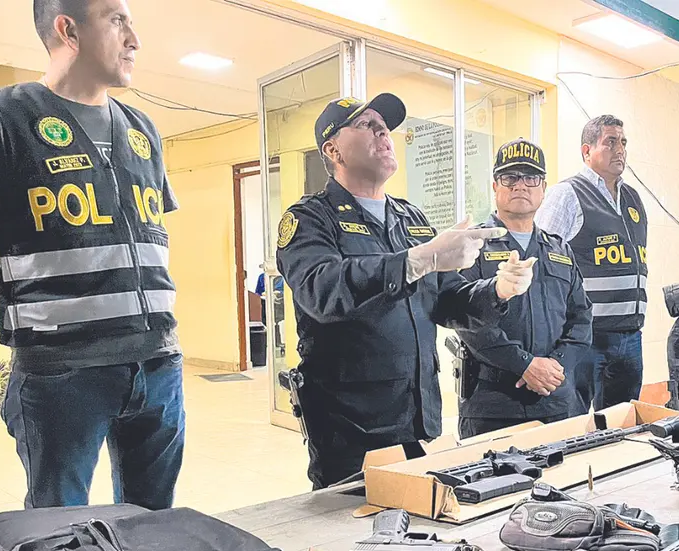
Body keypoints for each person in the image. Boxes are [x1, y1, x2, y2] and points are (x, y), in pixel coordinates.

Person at [276, 94, 536, 488]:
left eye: (386, 127)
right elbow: (323, 290)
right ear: (332, 150)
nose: (384, 133)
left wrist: (496, 290)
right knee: (351, 536)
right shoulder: (309, 219)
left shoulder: (410, 217)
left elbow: (448, 301)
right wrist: (418, 260)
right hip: (349, 424)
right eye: (367, 125)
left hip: (419, 414)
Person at [0, 0, 184, 509]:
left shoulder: (141, 127)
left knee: (154, 525)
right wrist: (20, 312)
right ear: (67, 29)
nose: (134, 39)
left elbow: (147, 237)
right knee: (57, 529)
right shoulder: (3, 116)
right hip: (61, 372)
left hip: (157, 364)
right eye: (117, 20)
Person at [454, 139, 592, 438]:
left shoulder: (560, 250)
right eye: (510, 178)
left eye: (531, 178)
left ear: (543, 188)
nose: (521, 186)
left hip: (555, 401)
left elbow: (581, 319)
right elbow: (467, 321)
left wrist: (555, 366)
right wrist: (525, 365)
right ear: (495, 186)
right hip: (492, 405)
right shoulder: (472, 245)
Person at [536, 114, 647, 414]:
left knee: (623, 424)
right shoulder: (567, 195)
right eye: (610, 142)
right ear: (587, 151)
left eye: (623, 142)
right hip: (587, 340)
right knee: (575, 424)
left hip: (630, 338)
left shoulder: (633, 199)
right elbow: (542, 263)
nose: (620, 149)